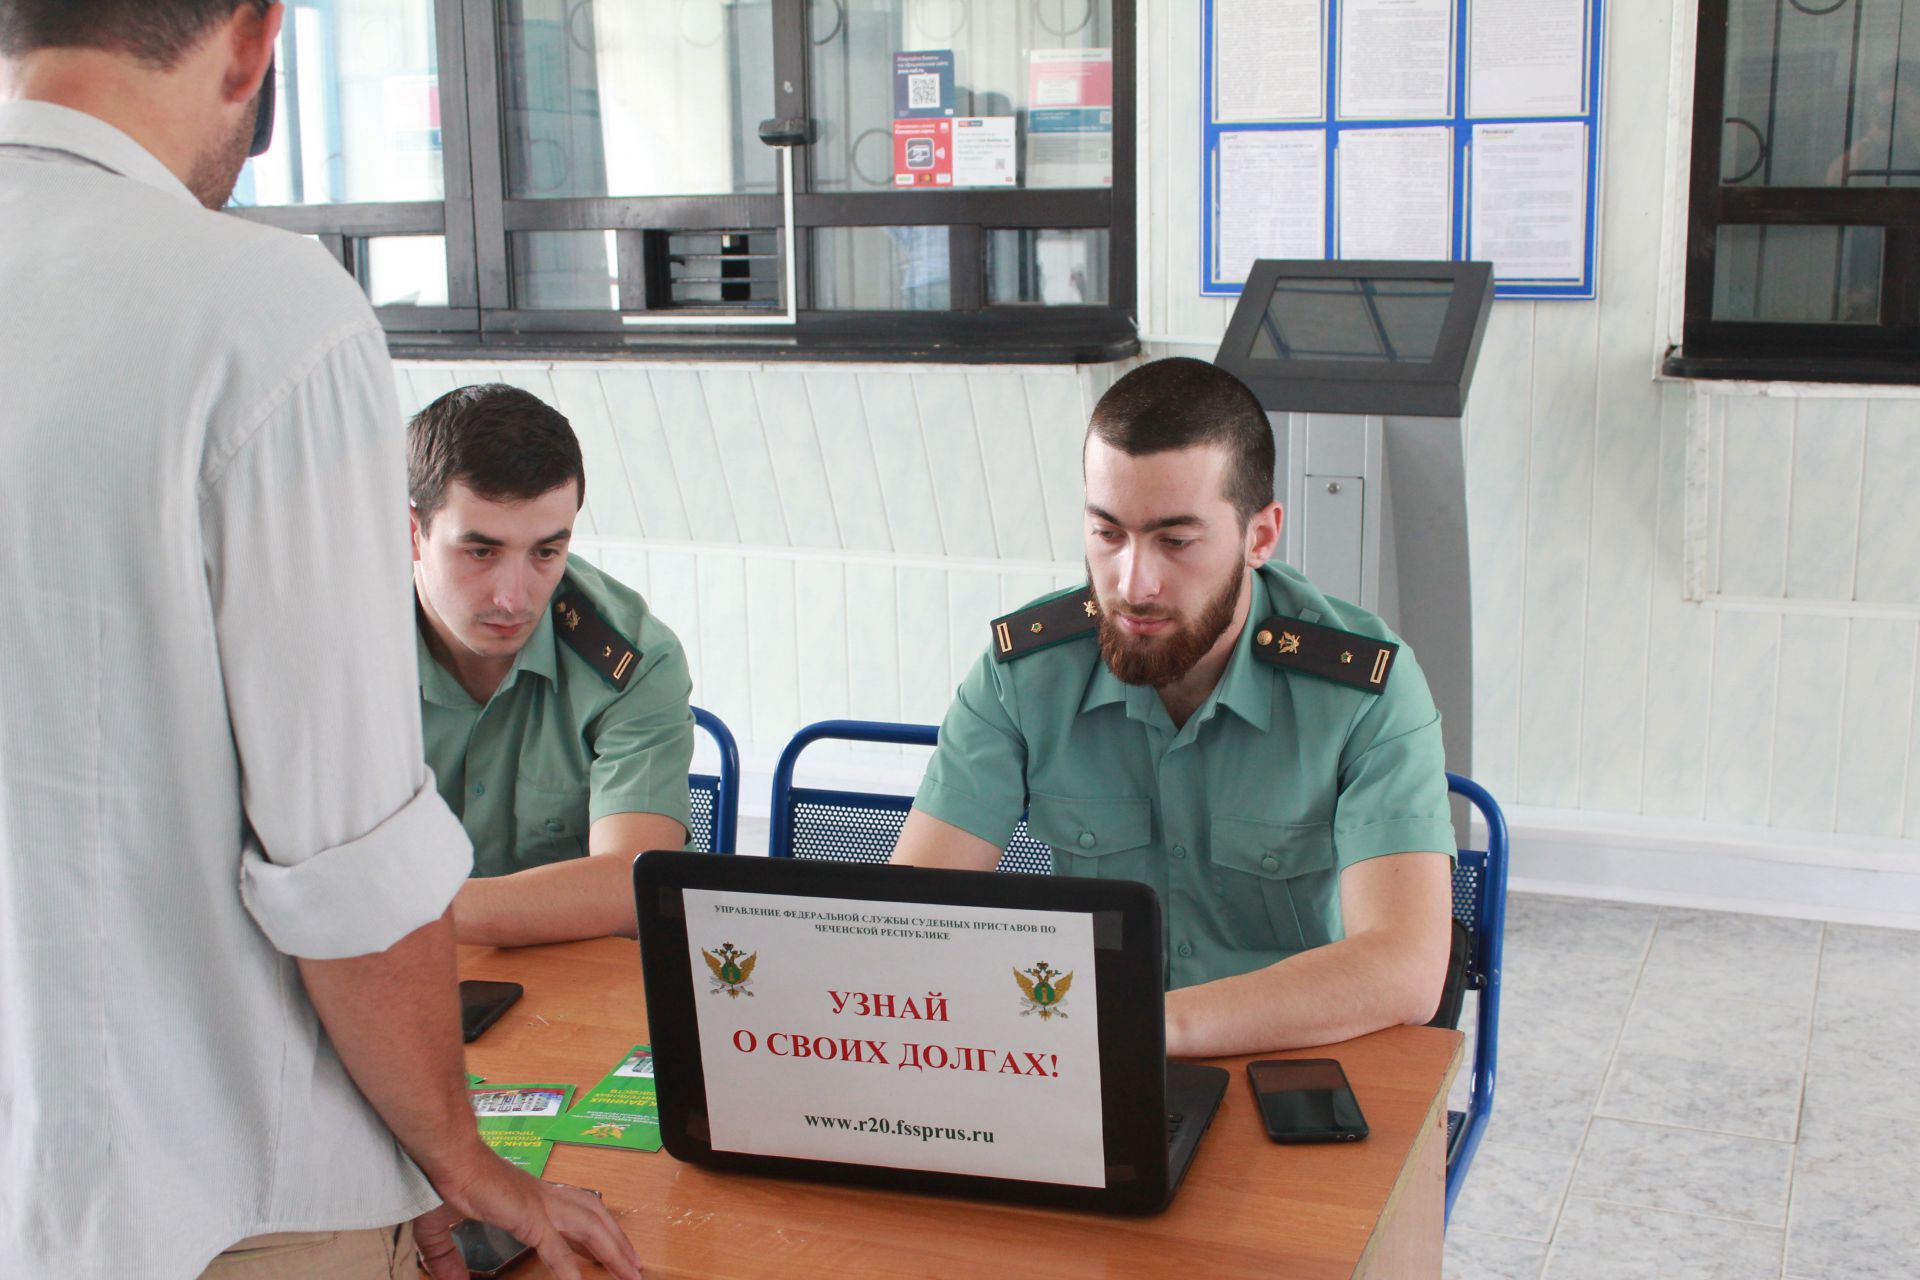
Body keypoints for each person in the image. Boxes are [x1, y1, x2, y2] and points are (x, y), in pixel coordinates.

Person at [0, 4, 642, 1277]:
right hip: (210, 1195)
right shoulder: (260, 311)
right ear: (252, 40)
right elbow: (345, 863)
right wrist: (457, 1157)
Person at [891, 357, 1456, 1058]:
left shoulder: (1363, 688)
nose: (1134, 583)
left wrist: (1149, 1025)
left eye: (1176, 541)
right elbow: (911, 916)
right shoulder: (1024, 674)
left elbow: (1406, 967)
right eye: (1108, 534)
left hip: (1292, 1055)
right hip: (1086, 1056)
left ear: (1260, 536)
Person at [408, 383, 695, 947]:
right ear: (412, 532)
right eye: (481, 552)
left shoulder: (636, 661)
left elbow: (632, 881)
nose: (514, 598)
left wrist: (403, 908)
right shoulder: (329, 651)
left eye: (546, 552)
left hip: (568, 988)